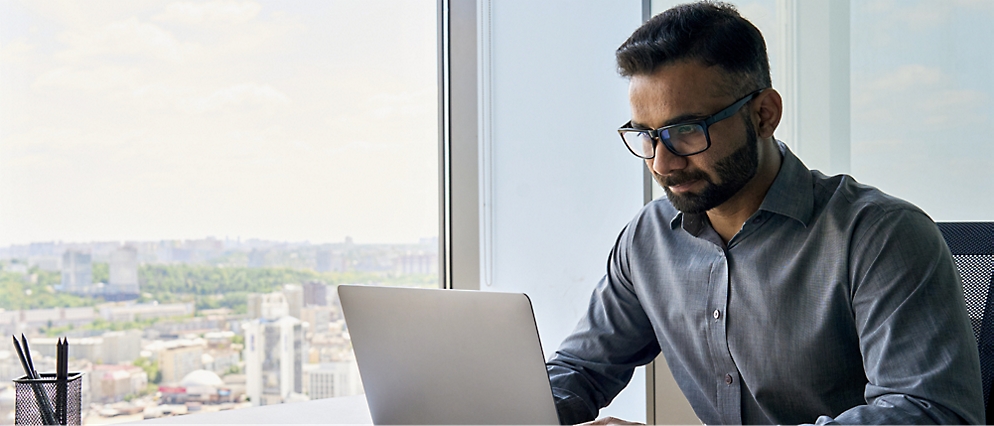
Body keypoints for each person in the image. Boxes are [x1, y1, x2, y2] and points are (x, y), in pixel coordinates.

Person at [545, 2, 984, 425]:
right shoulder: (649, 239)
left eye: (686, 131)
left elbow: (929, 413)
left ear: (764, 115)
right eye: (646, 136)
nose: (662, 163)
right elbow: (580, 372)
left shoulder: (881, 237)